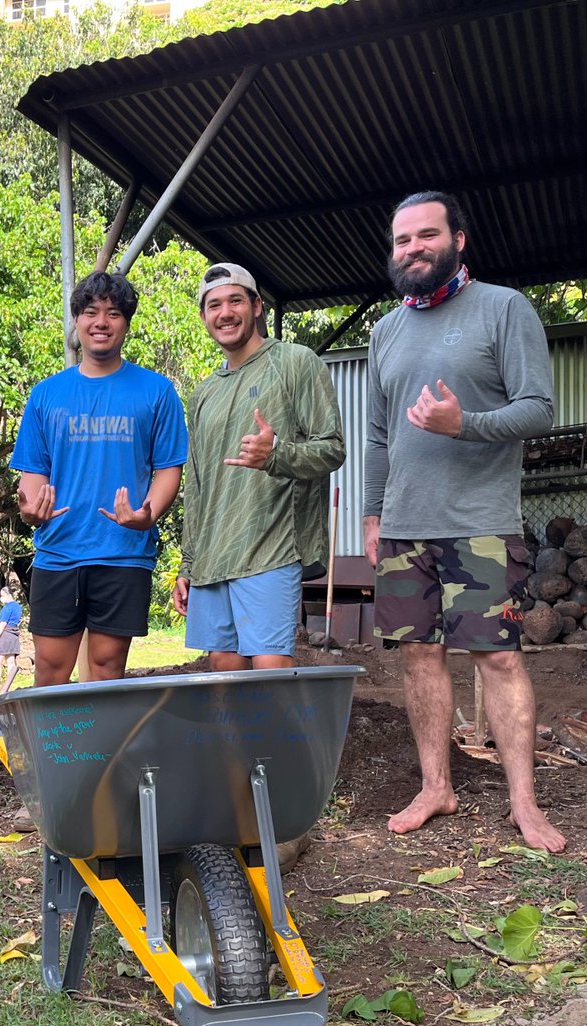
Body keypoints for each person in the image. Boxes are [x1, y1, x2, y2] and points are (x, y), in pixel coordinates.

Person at [363, 190, 564, 852]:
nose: (413, 248)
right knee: (419, 657)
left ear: (458, 240)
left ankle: (524, 804)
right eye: (402, 240)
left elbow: (538, 408)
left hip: (479, 521)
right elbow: (379, 436)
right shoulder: (386, 331)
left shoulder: (504, 309)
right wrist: (372, 513)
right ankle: (436, 787)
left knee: (498, 658)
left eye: (426, 235)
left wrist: (465, 424)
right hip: (402, 527)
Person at [11, 270, 187, 686]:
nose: (101, 322)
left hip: (123, 552)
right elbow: (33, 474)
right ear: (76, 320)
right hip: (59, 550)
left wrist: (148, 514)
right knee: (51, 669)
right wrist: (32, 510)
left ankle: (99, 754)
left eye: (113, 313)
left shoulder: (157, 391)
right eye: (90, 312)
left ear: (126, 322)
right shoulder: (46, 394)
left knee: (107, 669)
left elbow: (168, 470)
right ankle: (53, 753)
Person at [173, 263, 345, 669]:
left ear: (257, 306)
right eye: (214, 305)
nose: (225, 313)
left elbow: (333, 449)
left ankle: (284, 737)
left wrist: (277, 455)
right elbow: (196, 486)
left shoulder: (295, 363)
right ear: (203, 317)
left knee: (269, 672)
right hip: (214, 557)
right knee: (222, 674)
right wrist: (188, 563)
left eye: (235, 300)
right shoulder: (203, 394)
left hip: (271, 547)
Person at [0, 586, 23, 693]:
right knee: (10, 661)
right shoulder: (18, 607)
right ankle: (9, 685)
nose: (1, 598)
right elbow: (18, 621)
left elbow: (3, 624)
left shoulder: (7, 607)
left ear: (8, 595)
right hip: (14, 635)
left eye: (2, 596)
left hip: (5, 635)